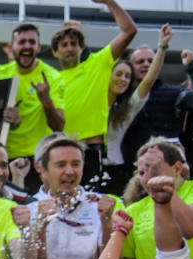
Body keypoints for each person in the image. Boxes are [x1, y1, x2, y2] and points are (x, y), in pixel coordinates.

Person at [51, 1, 137, 185]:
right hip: (60, 151)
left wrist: (109, 3)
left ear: (81, 48)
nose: (69, 48)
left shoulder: (98, 63)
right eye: (64, 45)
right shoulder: (52, 79)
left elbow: (129, 31)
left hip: (91, 149)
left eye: (74, 44)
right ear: (55, 52)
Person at [0, 23, 66, 195]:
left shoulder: (53, 77)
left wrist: (47, 101)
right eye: (22, 42)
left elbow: (59, 126)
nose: (27, 46)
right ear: (12, 48)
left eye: (31, 42)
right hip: (4, 158)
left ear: (39, 47)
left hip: (38, 159)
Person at [121, 138, 193, 259]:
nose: (148, 179)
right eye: (142, 173)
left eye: (155, 170)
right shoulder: (133, 211)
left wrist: (165, 189)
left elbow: (190, 228)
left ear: (177, 168)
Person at [105, 26, 170, 196]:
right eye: (119, 74)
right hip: (88, 165)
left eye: (128, 76)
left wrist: (162, 46)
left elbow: (148, 80)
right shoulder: (92, 102)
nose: (123, 80)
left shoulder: (128, 107)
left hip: (114, 171)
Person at [120, 45, 193, 171]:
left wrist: (192, 66)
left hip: (166, 170)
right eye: (140, 62)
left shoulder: (173, 93)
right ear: (130, 67)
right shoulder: (119, 97)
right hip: (127, 171)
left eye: (151, 61)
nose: (146, 64)